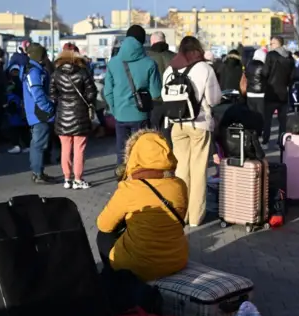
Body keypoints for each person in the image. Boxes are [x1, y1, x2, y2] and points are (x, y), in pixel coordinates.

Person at [96, 130, 189, 282]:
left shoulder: (130, 188)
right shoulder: (179, 184)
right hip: (177, 260)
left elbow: (103, 224)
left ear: (135, 156)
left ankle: (114, 277)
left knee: (103, 235)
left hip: (138, 267)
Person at [162, 36, 221, 227]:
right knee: (198, 171)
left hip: (176, 124)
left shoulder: (170, 69)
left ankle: (180, 213)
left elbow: (164, 95)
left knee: (181, 169)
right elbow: (214, 99)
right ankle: (195, 217)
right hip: (199, 124)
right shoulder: (205, 69)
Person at [104, 25, 162, 164]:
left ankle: (123, 181)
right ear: (142, 42)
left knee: (122, 152)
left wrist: (115, 110)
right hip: (140, 115)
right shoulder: (149, 63)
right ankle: (138, 183)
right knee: (140, 152)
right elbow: (156, 92)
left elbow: (107, 91)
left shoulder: (113, 63)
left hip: (120, 115)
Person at [49, 45, 97, 190]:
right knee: (79, 149)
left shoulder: (56, 73)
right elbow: (91, 93)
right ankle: (78, 179)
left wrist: (63, 100)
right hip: (80, 115)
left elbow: (52, 95)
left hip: (63, 115)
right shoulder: (83, 72)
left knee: (65, 149)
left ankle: (66, 179)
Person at [22, 43, 56, 184]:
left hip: (36, 112)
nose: (45, 57)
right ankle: (38, 174)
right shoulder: (34, 72)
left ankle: (38, 172)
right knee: (39, 144)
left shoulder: (33, 69)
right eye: (43, 54)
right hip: (39, 113)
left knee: (37, 143)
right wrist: (48, 108)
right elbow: (37, 93)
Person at [262, 36, 294, 147]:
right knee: (282, 120)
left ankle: (266, 140)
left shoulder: (271, 55)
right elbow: (293, 75)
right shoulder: (289, 56)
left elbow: (265, 72)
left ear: (278, 44)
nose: (271, 45)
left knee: (268, 119)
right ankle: (281, 140)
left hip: (271, 91)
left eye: (272, 43)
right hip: (283, 92)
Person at [5, 65, 30, 154]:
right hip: (22, 107)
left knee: (15, 128)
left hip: (15, 106)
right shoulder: (23, 81)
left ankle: (17, 145)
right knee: (23, 128)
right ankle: (26, 145)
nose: (14, 74)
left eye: (16, 72)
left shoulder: (12, 83)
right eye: (13, 72)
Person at [245, 48, 267, 136]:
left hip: (250, 92)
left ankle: (251, 130)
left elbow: (246, 76)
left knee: (251, 113)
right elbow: (267, 77)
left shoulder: (249, 64)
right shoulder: (263, 66)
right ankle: (259, 131)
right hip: (261, 94)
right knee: (261, 114)